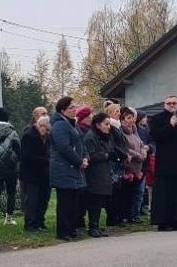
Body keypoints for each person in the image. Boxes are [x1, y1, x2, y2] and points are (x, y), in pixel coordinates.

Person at [146, 96, 177, 231]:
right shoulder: (156, 119)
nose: (172, 105)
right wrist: (170, 125)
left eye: (174, 103)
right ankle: (163, 222)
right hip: (165, 162)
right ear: (164, 105)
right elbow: (156, 136)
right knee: (164, 193)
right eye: (169, 103)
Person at [50, 96, 89, 240]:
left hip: (74, 169)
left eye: (74, 107)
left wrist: (85, 157)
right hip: (63, 169)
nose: (74, 110)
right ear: (63, 110)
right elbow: (64, 147)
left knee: (74, 202)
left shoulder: (73, 124)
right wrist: (79, 161)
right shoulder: (60, 125)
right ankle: (63, 231)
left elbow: (81, 143)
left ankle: (72, 229)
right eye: (71, 107)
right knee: (65, 202)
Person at [82, 109, 123, 238]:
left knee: (99, 201)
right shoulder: (91, 136)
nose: (108, 127)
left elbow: (111, 148)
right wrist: (107, 155)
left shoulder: (105, 136)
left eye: (109, 124)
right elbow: (91, 155)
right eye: (106, 124)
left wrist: (115, 155)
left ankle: (96, 226)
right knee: (95, 201)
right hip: (94, 174)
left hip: (103, 172)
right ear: (98, 124)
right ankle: (93, 227)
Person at [114, 108, 147, 226]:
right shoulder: (120, 132)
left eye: (132, 118)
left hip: (138, 167)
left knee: (134, 193)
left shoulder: (134, 130)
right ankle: (123, 216)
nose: (131, 120)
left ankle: (131, 215)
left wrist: (143, 151)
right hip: (128, 168)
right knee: (125, 194)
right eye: (128, 118)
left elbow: (141, 143)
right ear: (122, 120)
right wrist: (138, 155)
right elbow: (125, 148)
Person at [19, 111, 51, 232]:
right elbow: (27, 156)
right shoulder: (29, 136)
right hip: (31, 173)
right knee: (32, 199)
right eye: (46, 129)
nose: (47, 132)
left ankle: (40, 221)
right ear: (40, 126)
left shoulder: (46, 137)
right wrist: (46, 160)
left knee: (43, 198)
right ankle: (30, 223)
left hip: (43, 173)